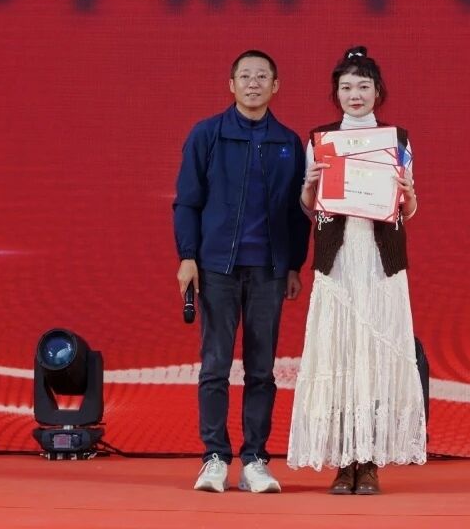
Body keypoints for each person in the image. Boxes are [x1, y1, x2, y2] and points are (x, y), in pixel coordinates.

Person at [288, 45, 426, 495]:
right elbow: (310, 207)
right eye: (346, 87)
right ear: (337, 94)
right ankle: (343, 461)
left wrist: (407, 193)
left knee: (375, 356)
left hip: (382, 262)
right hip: (339, 260)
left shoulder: (397, 140)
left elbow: (409, 208)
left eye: (363, 86)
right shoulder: (321, 140)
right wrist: (309, 188)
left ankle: (369, 463)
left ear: (378, 91)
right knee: (340, 355)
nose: (355, 95)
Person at [173, 49, 310, 494]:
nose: (254, 83)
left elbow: (298, 212)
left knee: (262, 370)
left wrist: (294, 264)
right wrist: (187, 256)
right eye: (245, 76)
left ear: (276, 86)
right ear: (231, 85)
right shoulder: (207, 134)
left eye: (262, 76)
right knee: (214, 366)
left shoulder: (288, 142)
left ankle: (255, 460)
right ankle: (214, 457)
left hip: (269, 271)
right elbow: (187, 201)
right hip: (217, 267)